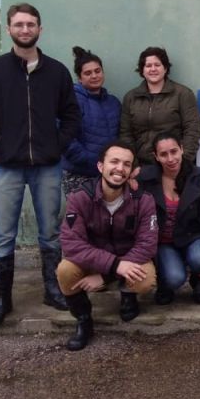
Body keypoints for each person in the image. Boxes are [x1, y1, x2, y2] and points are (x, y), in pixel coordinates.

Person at [0, 2, 81, 325]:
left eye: (31, 24)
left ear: (40, 29)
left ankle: (53, 290)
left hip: (47, 166)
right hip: (7, 167)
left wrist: (57, 144)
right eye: (19, 24)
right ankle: (3, 299)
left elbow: (72, 116)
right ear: (9, 29)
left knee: (50, 232)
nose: (25, 29)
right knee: (4, 234)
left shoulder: (56, 72)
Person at [58, 140, 158, 351]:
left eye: (126, 164)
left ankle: (128, 294)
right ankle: (84, 320)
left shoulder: (143, 200)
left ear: (131, 171)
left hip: (127, 259)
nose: (120, 168)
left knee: (145, 279)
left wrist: (106, 276)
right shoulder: (79, 197)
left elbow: (147, 244)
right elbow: (71, 244)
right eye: (114, 162)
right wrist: (114, 266)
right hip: (94, 261)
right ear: (100, 166)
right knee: (65, 271)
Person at [139, 133, 200, 305]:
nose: (170, 159)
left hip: (191, 237)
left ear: (182, 149)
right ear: (156, 156)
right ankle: (165, 283)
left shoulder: (197, 176)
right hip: (163, 242)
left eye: (174, 151)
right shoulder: (145, 178)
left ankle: (198, 280)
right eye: (164, 154)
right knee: (174, 278)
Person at [120, 46, 200, 165]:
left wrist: (183, 162)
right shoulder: (131, 97)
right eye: (148, 66)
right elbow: (125, 134)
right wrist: (133, 165)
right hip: (142, 165)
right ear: (142, 70)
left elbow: (192, 130)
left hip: (174, 163)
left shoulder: (182, 94)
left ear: (165, 68)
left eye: (157, 65)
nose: (153, 69)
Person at [61, 46, 121, 198]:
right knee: (82, 213)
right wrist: (87, 159)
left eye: (97, 71)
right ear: (80, 78)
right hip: (78, 173)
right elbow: (64, 135)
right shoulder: (70, 100)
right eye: (88, 73)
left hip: (109, 174)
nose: (94, 76)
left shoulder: (113, 103)